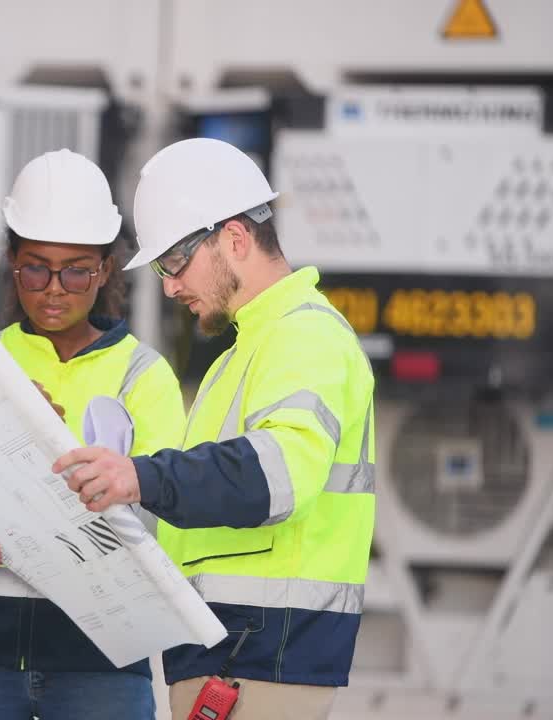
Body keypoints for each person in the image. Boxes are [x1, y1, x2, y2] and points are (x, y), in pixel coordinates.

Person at [53, 138, 376, 720]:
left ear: (233, 237)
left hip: (260, 654)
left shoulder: (304, 336)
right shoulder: (244, 352)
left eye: (174, 262)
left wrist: (137, 477)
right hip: (235, 653)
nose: (170, 286)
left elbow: (277, 475)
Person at [0, 149, 188, 720]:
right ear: (11, 262)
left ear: (105, 269)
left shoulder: (145, 378)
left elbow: (157, 520)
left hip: (101, 659)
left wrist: (35, 440)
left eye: (76, 269)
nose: (53, 288)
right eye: (35, 267)